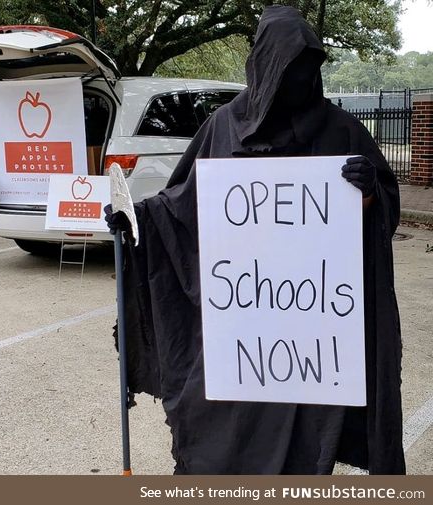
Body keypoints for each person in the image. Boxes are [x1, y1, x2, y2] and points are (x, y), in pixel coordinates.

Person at [104, 5, 404, 475]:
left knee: (305, 447)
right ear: (264, 67)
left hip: (310, 337)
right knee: (224, 434)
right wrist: (134, 219)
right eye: (288, 70)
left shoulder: (341, 130)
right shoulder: (223, 126)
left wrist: (368, 194)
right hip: (239, 328)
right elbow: (180, 207)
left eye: (307, 71)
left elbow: (381, 211)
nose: (299, 83)